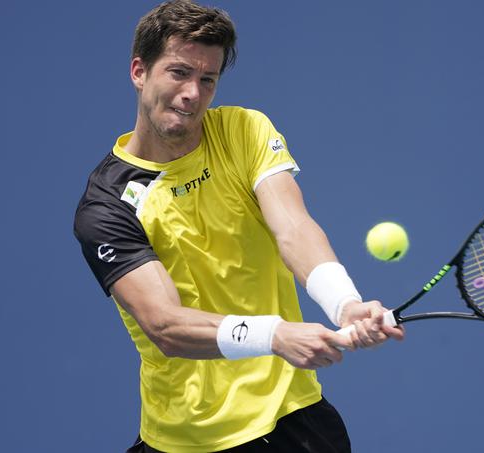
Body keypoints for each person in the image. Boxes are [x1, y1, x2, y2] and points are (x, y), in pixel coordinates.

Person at [73, 1, 403, 451]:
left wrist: (344, 303)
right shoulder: (107, 203)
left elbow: (294, 228)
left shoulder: (243, 130)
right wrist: (277, 334)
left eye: (207, 79)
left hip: (294, 418)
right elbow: (165, 325)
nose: (193, 92)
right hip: (189, 436)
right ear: (139, 71)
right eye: (178, 72)